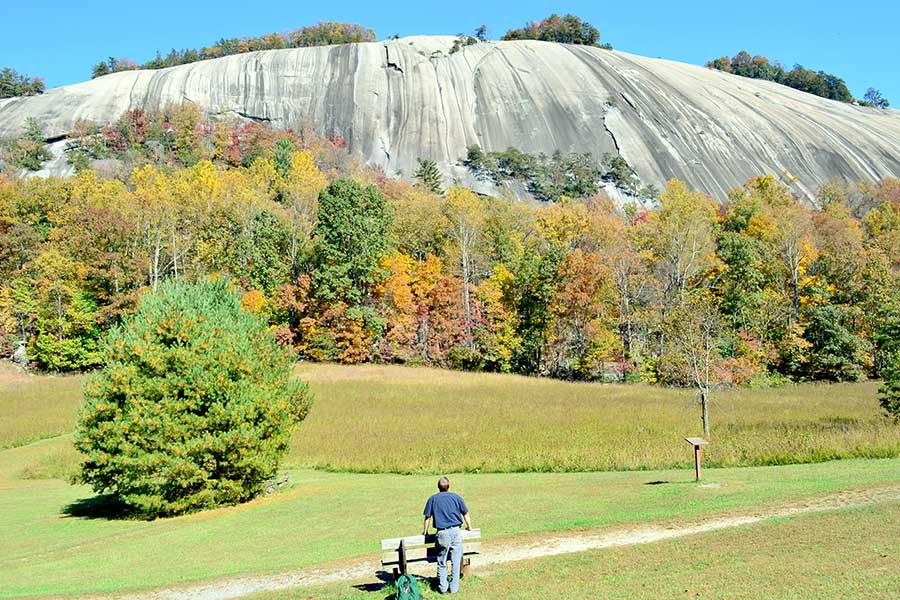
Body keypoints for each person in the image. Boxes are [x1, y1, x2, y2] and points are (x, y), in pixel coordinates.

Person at [422, 477, 472, 594]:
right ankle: (454, 589)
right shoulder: (456, 497)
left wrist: (425, 532)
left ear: (438, 487)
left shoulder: (432, 499)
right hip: (455, 532)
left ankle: (443, 588)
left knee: (442, 561)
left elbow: (427, 517)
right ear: (449, 486)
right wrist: (469, 527)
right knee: (455, 561)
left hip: (442, 533)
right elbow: (466, 514)